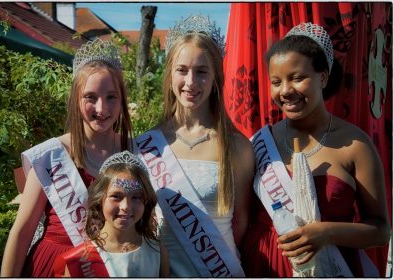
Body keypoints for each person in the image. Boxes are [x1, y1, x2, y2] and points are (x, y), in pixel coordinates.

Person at [241, 22, 390, 277]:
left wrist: (326, 232)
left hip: (331, 268)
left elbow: (380, 230)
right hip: (263, 268)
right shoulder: (259, 143)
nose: (286, 91)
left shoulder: (356, 145)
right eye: (276, 82)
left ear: (322, 77)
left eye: (297, 78)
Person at [0, 38, 134, 277]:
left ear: (122, 99)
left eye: (111, 97)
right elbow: (22, 231)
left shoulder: (135, 151)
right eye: (90, 97)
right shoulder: (50, 156)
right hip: (55, 266)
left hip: (115, 267)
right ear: (76, 99)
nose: (102, 108)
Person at [135, 15, 254, 277]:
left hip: (219, 270)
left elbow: (241, 221)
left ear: (215, 79)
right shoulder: (144, 146)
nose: (190, 82)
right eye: (182, 70)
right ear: (169, 75)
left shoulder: (237, 146)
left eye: (202, 72)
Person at [53, 151, 169, 277]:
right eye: (116, 196)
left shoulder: (157, 251)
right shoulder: (81, 261)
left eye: (136, 197)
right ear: (100, 199)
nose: (126, 206)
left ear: (146, 201)